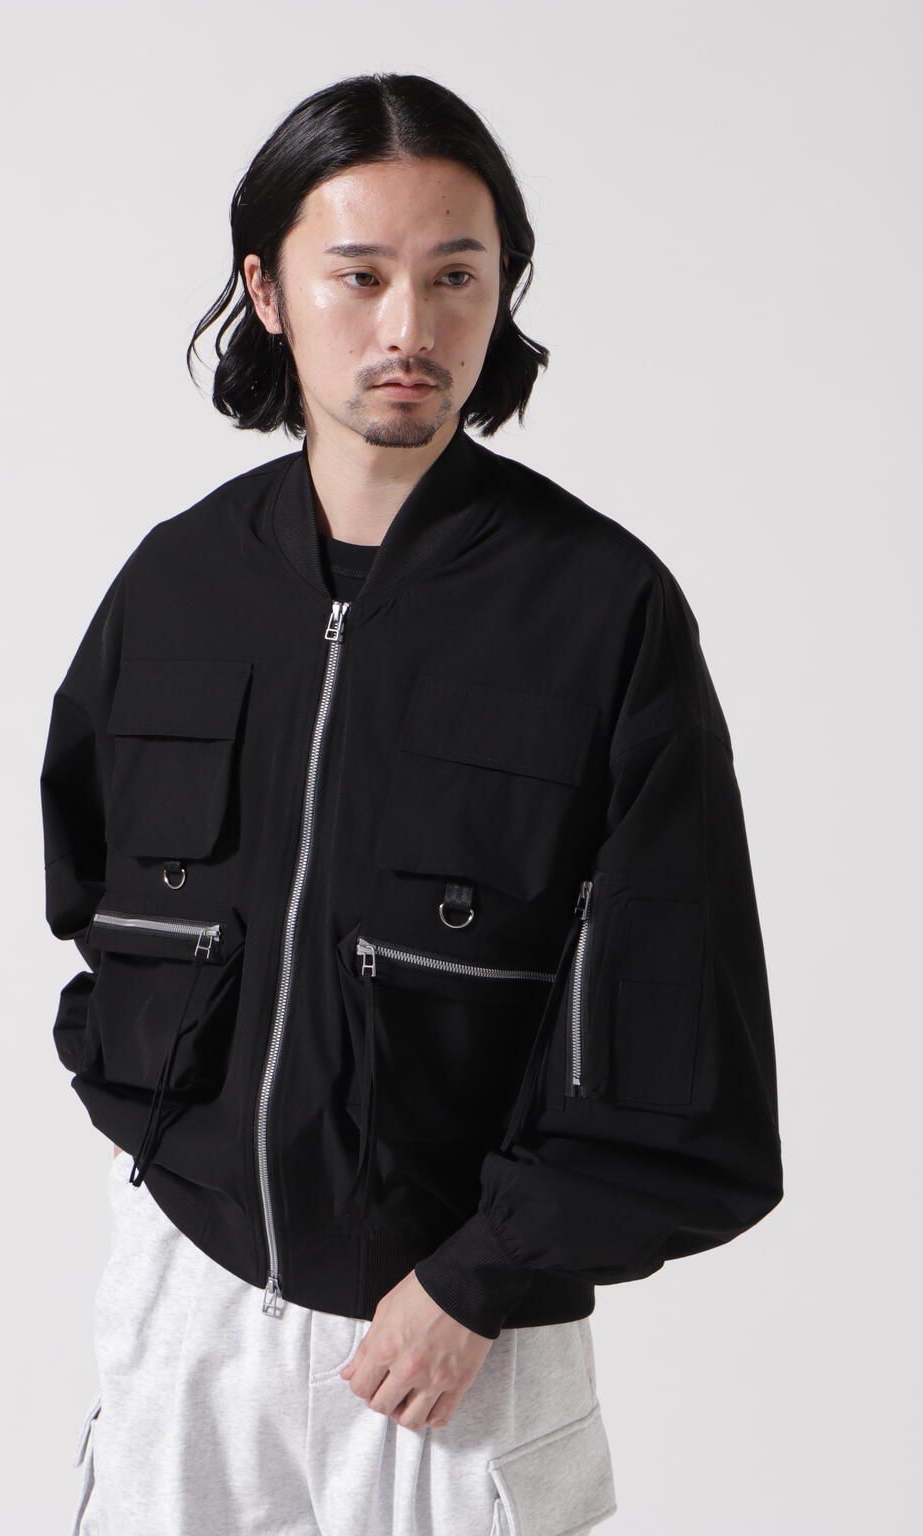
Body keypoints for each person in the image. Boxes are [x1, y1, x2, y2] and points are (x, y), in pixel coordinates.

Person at [40, 71, 783, 1536]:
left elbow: (682, 1033)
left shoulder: (601, 609)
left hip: (455, 1341)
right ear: (266, 290)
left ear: (502, 294)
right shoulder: (175, 587)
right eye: (360, 274)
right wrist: (161, 1149)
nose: (410, 329)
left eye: (456, 277)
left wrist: (480, 1277)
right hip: (191, 1311)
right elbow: (91, 902)